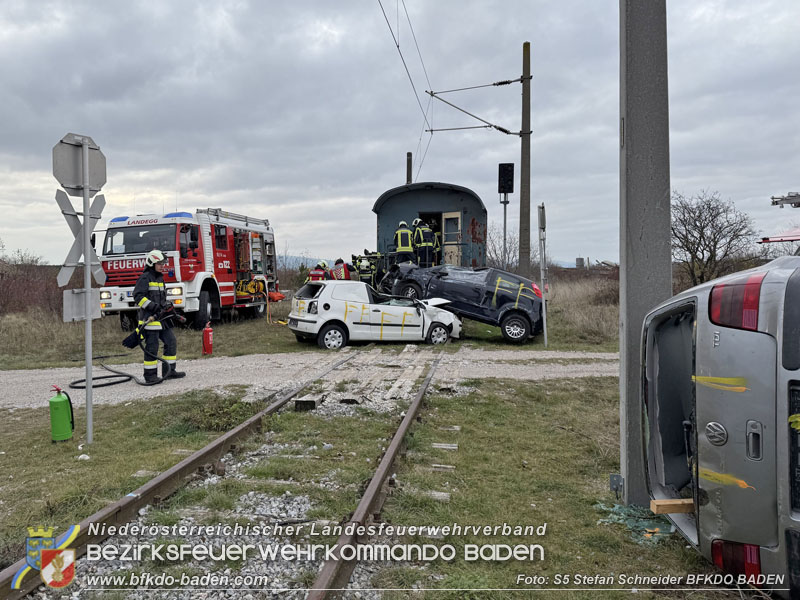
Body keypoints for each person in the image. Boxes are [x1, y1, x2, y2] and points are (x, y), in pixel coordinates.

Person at [133, 249, 185, 384]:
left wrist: (166, 306)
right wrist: (153, 306)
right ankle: (150, 376)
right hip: (149, 319)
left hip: (162, 318)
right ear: (152, 263)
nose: (163, 266)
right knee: (152, 346)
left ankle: (169, 371)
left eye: (164, 263)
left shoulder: (160, 278)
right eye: (160, 263)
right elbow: (138, 297)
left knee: (171, 341)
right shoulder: (145, 278)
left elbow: (161, 298)